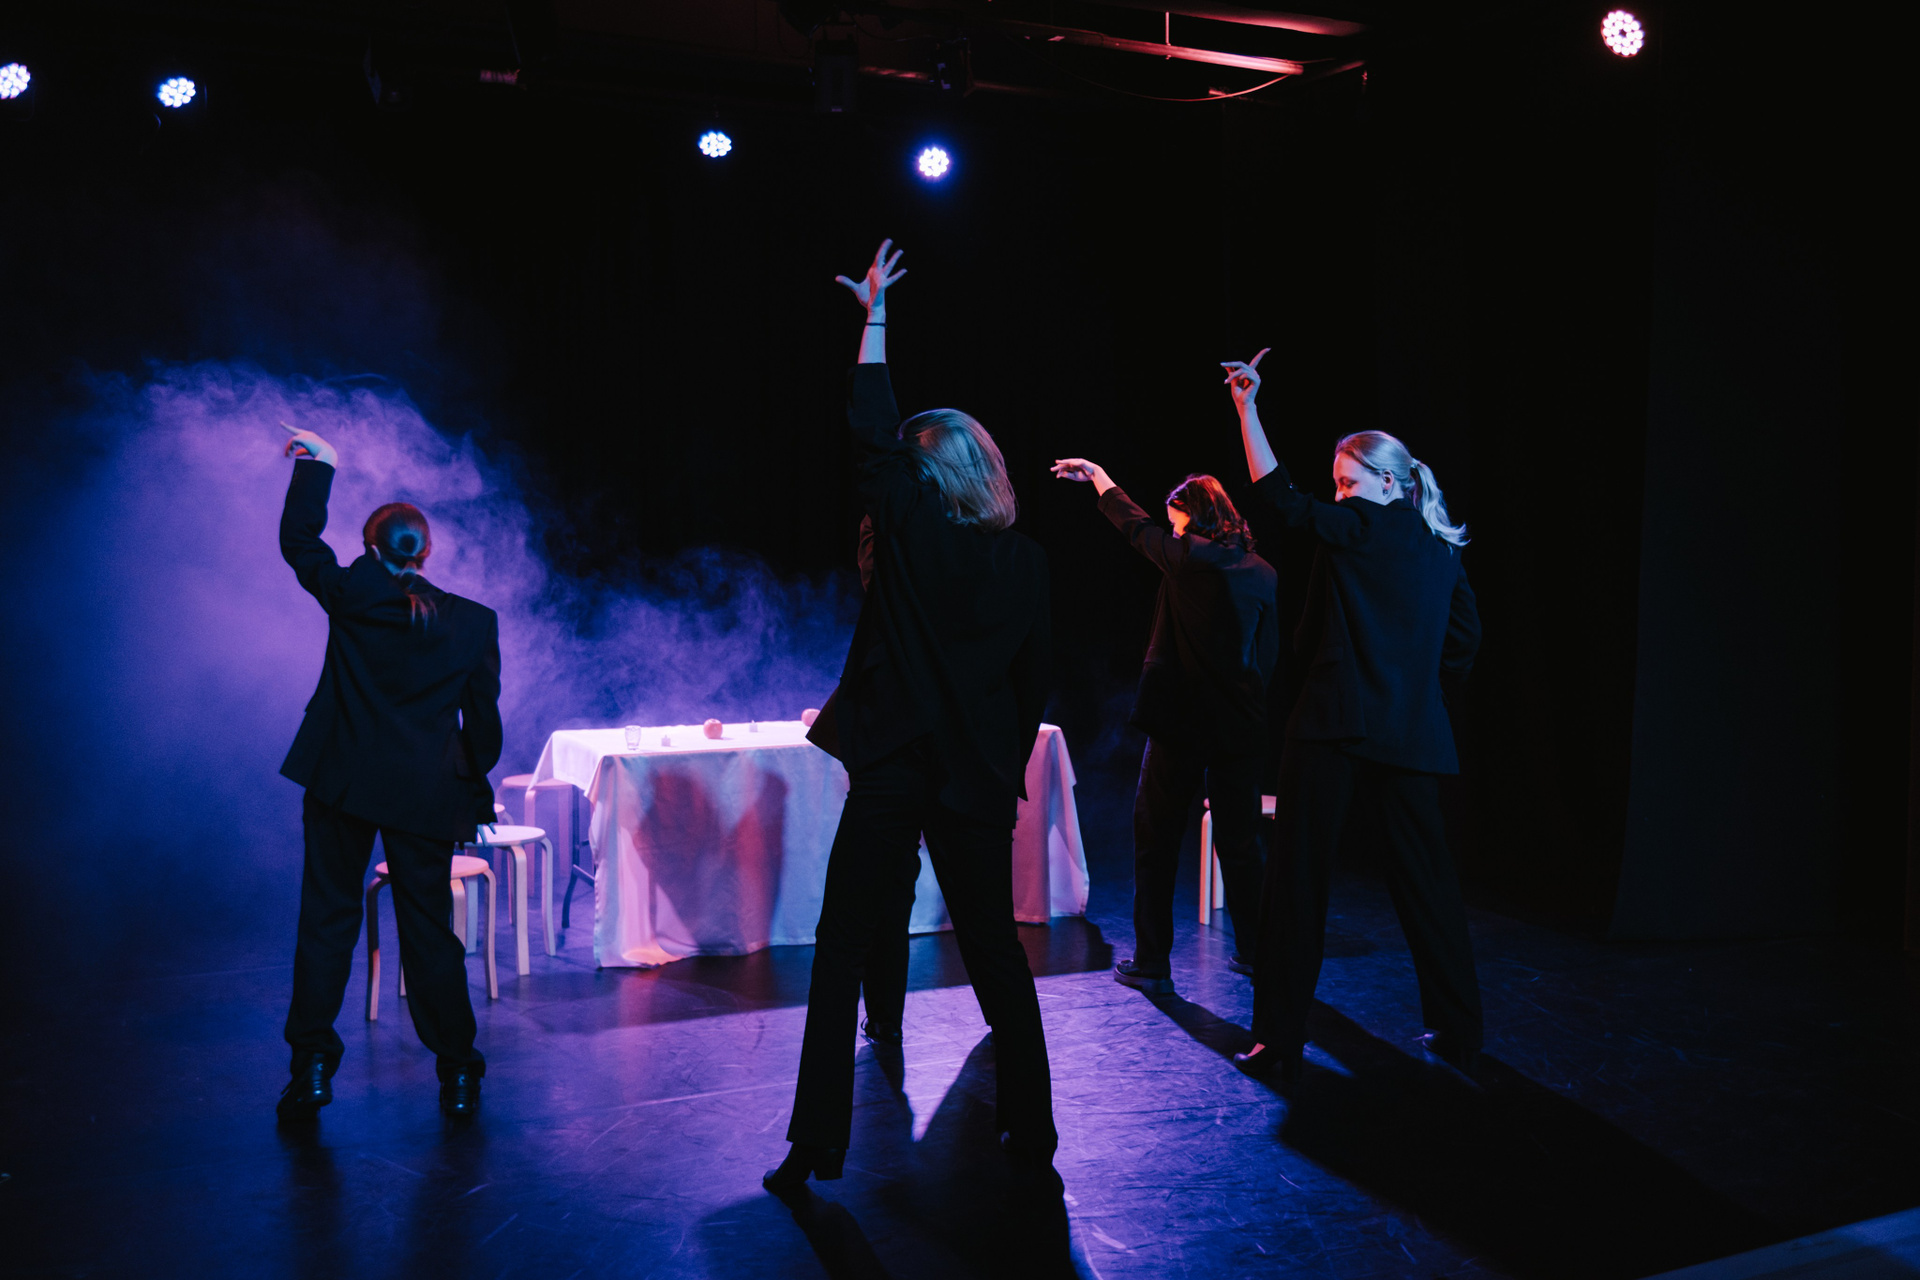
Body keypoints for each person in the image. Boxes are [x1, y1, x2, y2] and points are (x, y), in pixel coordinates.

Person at [767, 240, 1057, 1192]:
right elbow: (1033, 685)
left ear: (919, 474)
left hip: (894, 765)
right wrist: (1000, 763)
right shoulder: (1025, 562)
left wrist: (875, 317)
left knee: (842, 946)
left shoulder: (903, 526)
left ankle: (815, 1145)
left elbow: (867, 424)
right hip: (972, 774)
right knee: (995, 953)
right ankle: (1033, 1133)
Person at [1218, 348, 1484, 1082]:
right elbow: (1465, 641)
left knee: (1298, 882)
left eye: (1348, 482)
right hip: (1411, 730)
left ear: (1387, 483)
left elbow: (1276, 495)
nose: (1339, 496)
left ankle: (1278, 1035)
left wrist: (1247, 408)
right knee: (1429, 886)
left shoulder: (1358, 526)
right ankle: (1459, 1033)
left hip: (1334, 723)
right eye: (1337, 485)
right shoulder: (1441, 549)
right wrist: (1416, 688)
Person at [274, 426, 503, 1121]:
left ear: (372, 550)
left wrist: (322, 464)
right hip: (425, 795)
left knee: (327, 921)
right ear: (425, 552)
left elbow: (299, 543)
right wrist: (466, 785)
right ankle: (458, 1072)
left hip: (342, 784)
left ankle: (313, 1067)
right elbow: (484, 731)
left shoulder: (352, 594)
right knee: (430, 931)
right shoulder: (472, 624)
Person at [1049, 459, 1276, 992]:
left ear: (1192, 519)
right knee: (1241, 843)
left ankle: (1153, 960)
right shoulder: (1263, 571)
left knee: (1156, 839)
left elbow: (1133, 525)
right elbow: (1267, 654)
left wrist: (1100, 478)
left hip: (1180, 720)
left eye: (1176, 521)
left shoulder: (1185, 557)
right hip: (1239, 723)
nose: (1171, 530)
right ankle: (1256, 952)